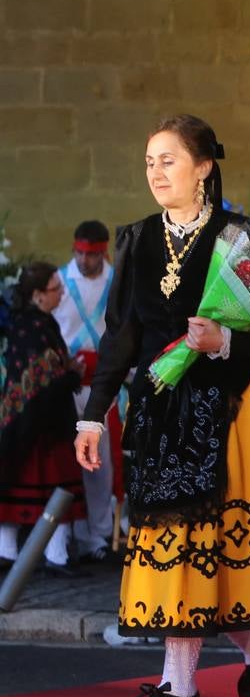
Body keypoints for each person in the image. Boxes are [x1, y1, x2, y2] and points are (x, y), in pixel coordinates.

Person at [74, 115, 250, 697]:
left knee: (215, 549)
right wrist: (92, 416)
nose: (156, 172)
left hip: (229, 406)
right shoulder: (133, 239)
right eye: (150, 161)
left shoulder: (241, 235)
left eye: (169, 160)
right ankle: (242, 656)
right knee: (169, 541)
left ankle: (185, 684)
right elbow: (120, 337)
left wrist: (222, 343)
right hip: (159, 405)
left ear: (204, 167)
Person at [0, 262, 86, 577]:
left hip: (31, 420)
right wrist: (71, 374)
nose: (61, 293)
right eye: (55, 288)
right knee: (51, 485)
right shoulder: (32, 328)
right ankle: (38, 554)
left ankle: (46, 552)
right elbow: (41, 379)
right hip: (38, 424)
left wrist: (65, 373)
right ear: (37, 295)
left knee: (33, 484)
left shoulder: (36, 323)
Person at [53, 220, 119, 563]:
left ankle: (99, 536)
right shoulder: (59, 282)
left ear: (103, 252)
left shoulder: (117, 281)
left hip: (101, 384)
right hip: (65, 382)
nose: (83, 260)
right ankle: (66, 539)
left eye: (90, 255)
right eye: (78, 253)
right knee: (65, 463)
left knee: (100, 464)